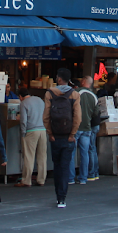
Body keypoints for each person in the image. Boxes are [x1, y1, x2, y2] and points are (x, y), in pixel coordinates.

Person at [43, 68, 81, 208]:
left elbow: (46, 116)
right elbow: (77, 117)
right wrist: (72, 134)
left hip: (55, 137)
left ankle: (57, 194)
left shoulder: (50, 93)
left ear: (59, 79)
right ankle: (62, 198)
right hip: (68, 137)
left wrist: (50, 133)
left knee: (57, 166)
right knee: (65, 166)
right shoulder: (75, 95)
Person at [15, 91, 47, 188]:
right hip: (42, 130)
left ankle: (26, 180)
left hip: (31, 130)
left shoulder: (24, 103)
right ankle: (41, 179)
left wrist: (23, 133)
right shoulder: (40, 100)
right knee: (42, 156)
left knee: (29, 156)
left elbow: (23, 120)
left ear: (20, 97)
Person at [76, 76, 99, 184]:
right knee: (87, 152)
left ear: (83, 81)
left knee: (71, 152)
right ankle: (86, 177)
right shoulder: (93, 96)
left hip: (76, 127)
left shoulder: (76, 93)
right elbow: (96, 113)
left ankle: (71, 178)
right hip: (88, 127)